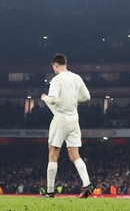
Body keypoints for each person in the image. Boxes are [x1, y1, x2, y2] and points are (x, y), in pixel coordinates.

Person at [40, 53, 94, 198]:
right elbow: (87, 97)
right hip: (74, 119)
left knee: (53, 154)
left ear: (55, 65)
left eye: (54, 68)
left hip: (61, 118)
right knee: (74, 155)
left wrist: (45, 98)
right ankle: (87, 183)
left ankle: (50, 191)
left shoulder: (57, 80)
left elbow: (53, 100)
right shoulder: (76, 78)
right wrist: (73, 99)